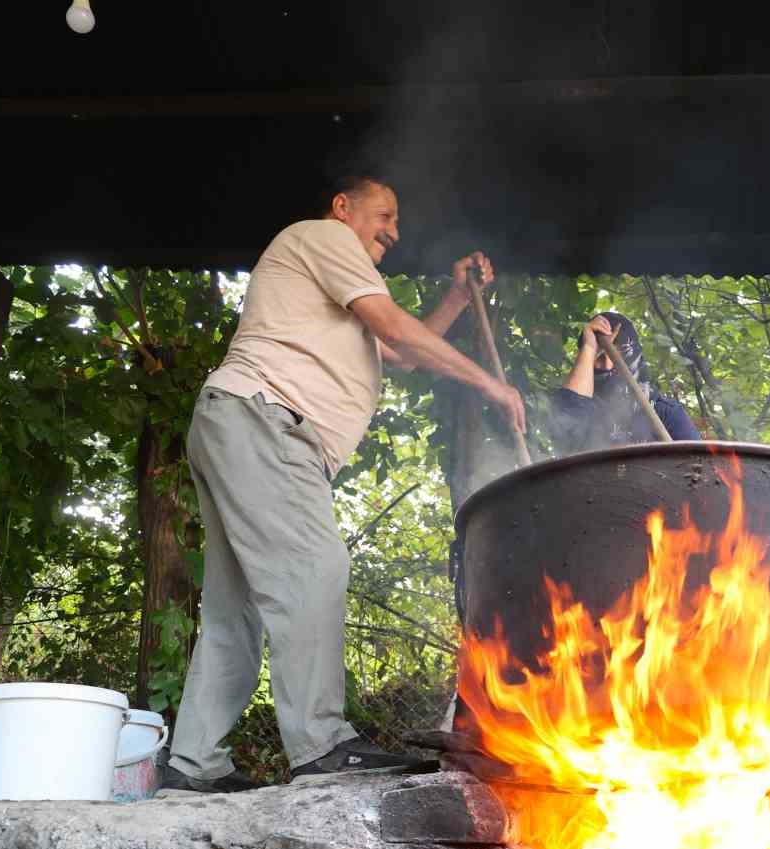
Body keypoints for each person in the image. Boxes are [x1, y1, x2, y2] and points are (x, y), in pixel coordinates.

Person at [159, 172, 525, 792]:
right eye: (384, 215)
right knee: (317, 567)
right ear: (342, 208)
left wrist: (458, 298)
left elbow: (405, 353)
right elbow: (394, 327)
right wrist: (490, 383)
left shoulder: (331, 292)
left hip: (242, 423)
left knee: (237, 608)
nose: (394, 230)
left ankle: (193, 764)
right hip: (268, 420)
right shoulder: (325, 239)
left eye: (398, 223)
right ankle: (322, 744)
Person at [550, 311, 700, 453]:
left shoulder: (665, 413)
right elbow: (565, 432)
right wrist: (589, 347)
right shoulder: (587, 414)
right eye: (600, 357)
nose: (608, 365)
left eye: (619, 355)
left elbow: (699, 468)